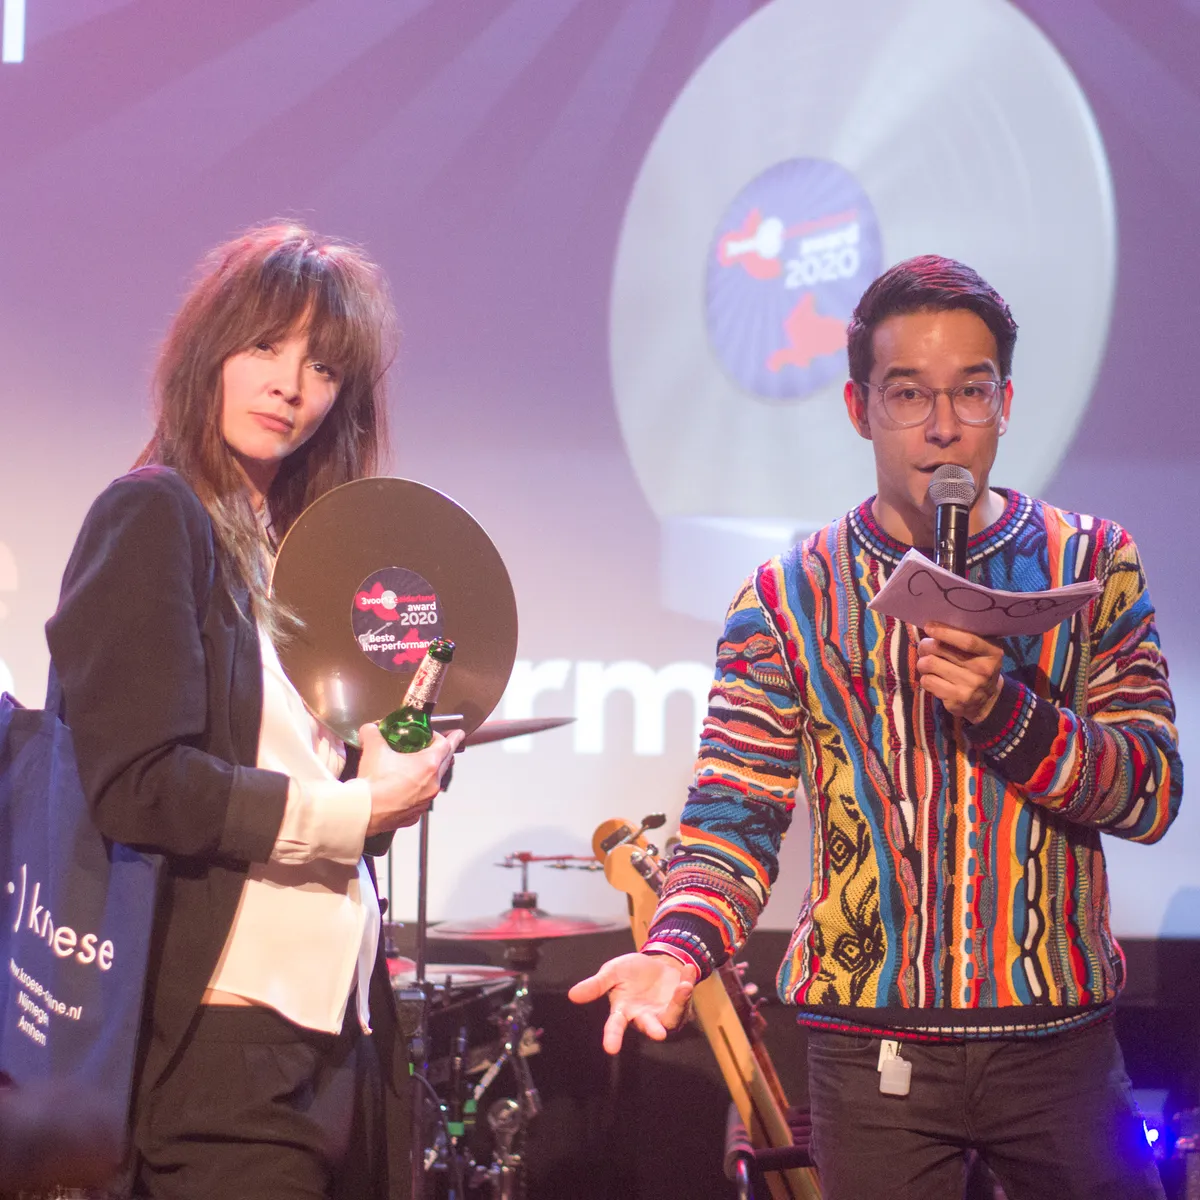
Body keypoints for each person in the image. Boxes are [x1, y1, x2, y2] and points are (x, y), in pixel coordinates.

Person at [570, 255, 1183, 1199]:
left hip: (1057, 1040)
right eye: (908, 394)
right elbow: (734, 816)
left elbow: (1150, 792)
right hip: (870, 1051)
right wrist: (674, 949)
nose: (943, 426)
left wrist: (1007, 714)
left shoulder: (1093, 562)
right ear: (860, 409)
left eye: (971, 391)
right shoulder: (787, 597)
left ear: (1006, 404)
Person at [45, 223, 461, 1199]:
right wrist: (356, 810)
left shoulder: (297, 558)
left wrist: (395, 761)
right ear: (209, 352)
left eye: (322, 367)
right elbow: (142, 784)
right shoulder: (154, 513)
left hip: (338, 1028)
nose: (289, 386)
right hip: (222, 1034)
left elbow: (317, 784)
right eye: (266, 347)